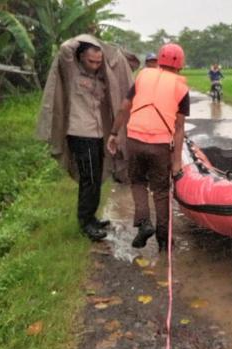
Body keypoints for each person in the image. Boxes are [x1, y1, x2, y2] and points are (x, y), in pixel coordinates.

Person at [37, 35, 133, 241]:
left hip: (97, 134)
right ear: (80, 57)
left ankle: (91, 217)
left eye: (99, 62)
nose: (95, 65)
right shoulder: (71, 70)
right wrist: (88, 39)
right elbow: (65, 48)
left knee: (96, 178)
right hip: (80, 133)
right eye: (91, 61)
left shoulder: (101, 76)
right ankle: (85, 223)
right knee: (89, 179)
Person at [107, 43, 190, 251]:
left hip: (135, 140)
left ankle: (144, 222)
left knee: (137, 182)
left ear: (159, 60)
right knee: (161, 191)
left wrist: (114, 133)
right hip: (161, 145)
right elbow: (179, 128)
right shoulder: (181, 87)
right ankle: (164, 240)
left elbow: (124, 108)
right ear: (181, 63)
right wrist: (177, 162)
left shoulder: (143, 76)